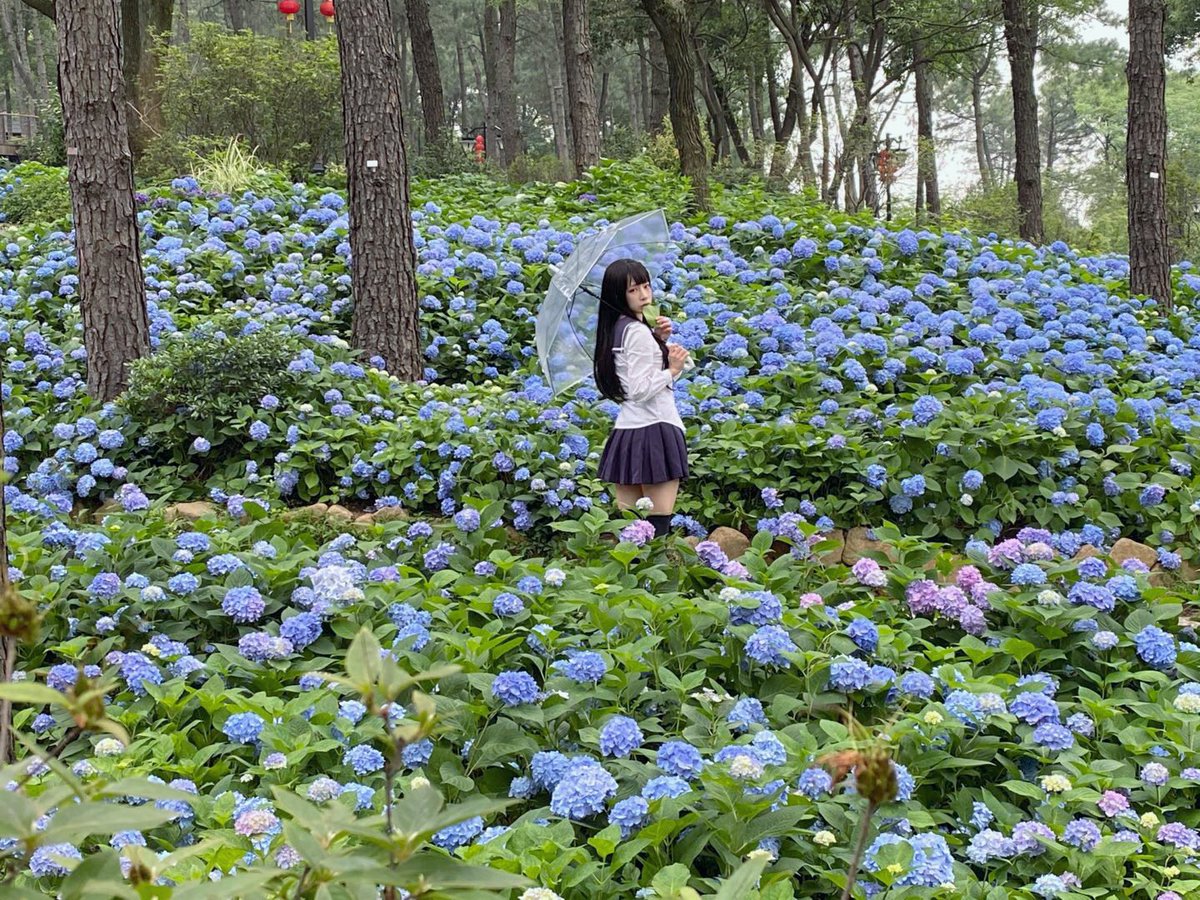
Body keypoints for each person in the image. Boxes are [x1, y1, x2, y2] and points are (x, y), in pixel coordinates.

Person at [594, 258, 690, 537]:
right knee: (656, 531)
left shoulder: (617, 329)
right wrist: (672, 369)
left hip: (626, 433)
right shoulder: (635, 332)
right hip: (655, 431)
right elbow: (640, 389)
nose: (644, 295)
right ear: (618, 295)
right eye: (633, 290)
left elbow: (632, 383)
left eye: (646, 286)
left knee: (631, 533)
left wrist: (658, 340)